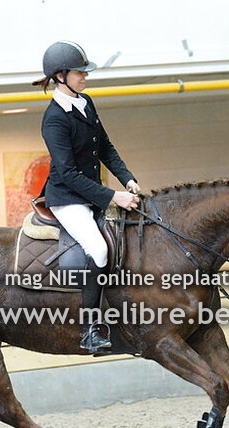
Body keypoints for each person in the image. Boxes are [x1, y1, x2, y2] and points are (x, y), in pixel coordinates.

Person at [33, 40, 140, 353]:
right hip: (67, 198)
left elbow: (105, 146)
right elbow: (66, 173)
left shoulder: (85, 102)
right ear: (60, 76)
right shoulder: (54, 118)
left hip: (92, 193)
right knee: (97, 249)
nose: (85, 77)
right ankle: (89, 331)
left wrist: (127, 177)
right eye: (80, 72)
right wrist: (112, 197)